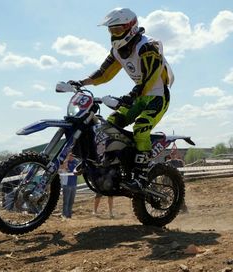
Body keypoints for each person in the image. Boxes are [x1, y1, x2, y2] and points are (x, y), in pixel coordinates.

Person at [68, 7, 174, 192]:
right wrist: (81, 82)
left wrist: (131, 95)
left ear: (131, 27)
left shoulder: (149, 46)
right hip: (138, 96)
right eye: (111, 30)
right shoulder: (117, 51)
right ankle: (102, 162)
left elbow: (150, 77)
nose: (114, 34)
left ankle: (142, 174)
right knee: (108, 125)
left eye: (117, 29)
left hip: (157, 97)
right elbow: (103, 74)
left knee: (141, 127)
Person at [60, 152, 78, 218]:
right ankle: (64, 214)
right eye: (70, 155)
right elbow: (64, 167)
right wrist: (67, 158)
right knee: (66, 201)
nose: (72, 156)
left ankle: (69, 214)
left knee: (71, 201)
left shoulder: (75, 162)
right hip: (67, 185)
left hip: (74, 184)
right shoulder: (65, 163)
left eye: (73, 155)